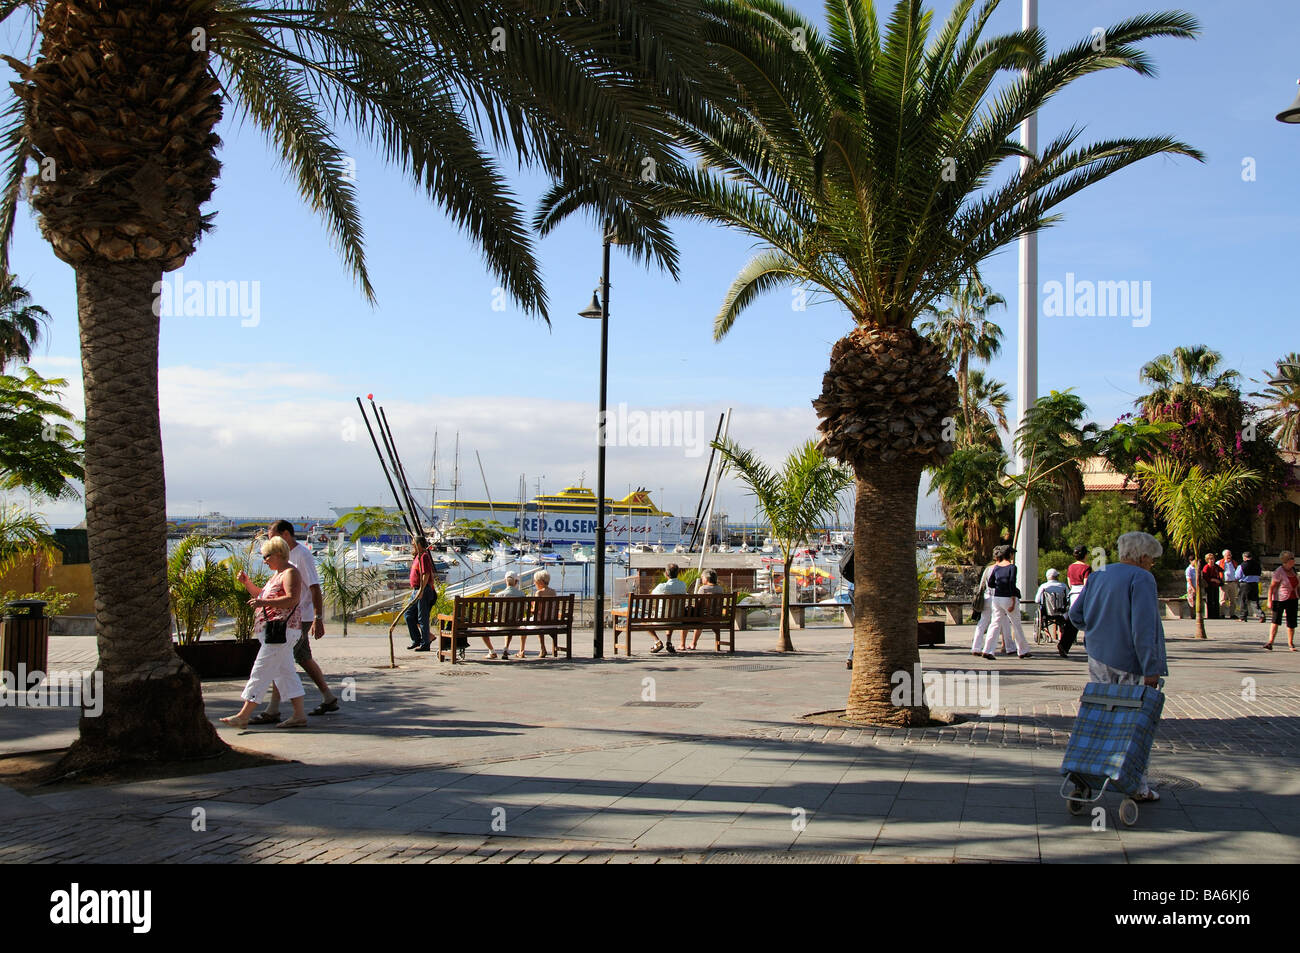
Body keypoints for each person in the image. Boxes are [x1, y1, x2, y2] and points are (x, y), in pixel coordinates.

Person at [1067, 531, 1167, 804]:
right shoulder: (1142, 579)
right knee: (1132, 725)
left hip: (1098, 657)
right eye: (1152, 559)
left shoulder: (1098, 574)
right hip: (1130, 661)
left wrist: (1098, 630)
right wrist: (1151, 668)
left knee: (1099, 718)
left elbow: (1075, 615)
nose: (1152, 564)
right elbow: (1144, 629)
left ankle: (1087, 776)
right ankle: (1136, 785)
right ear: (1143, 557)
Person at [250, 520, 339, 723]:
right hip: (292, 616)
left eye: (273, 537)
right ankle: (328, 696)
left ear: (286, 535)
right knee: (298, 657)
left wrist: (318, 617)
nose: (270, 541)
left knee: (282, 658)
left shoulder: (302, 555)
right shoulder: (284, 558)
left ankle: (274, 709)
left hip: (300, 616)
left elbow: (315, 587)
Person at [220, 536, 308, 729]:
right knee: (285, 673)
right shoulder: (278, 574)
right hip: (275, 631)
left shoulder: (290, 572)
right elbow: (261, 595)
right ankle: (299, 715)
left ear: (278, 554)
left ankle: (244, 714)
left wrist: (264, 603)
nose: (265, 560)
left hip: (281, 631)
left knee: (261, 669)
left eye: (266, 556)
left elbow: (292, 599)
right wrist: (247, 584)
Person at [980, 544, 1032, 659]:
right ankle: (1022, 650)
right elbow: (1012, 583)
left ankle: (988, 650)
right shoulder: (1012, 567)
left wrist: (999, 586)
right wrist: (1013, 600)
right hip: (1008, 597)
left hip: (997, 598)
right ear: (1009, 554)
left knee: (995, 623)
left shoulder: (997, 567)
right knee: (1016, 624)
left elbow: (991, 583)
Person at [407, 536, 438, 652]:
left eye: (414, 544)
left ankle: (425, 644)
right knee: (409, 615)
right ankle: (416, 639)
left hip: (423, 590)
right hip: (416, 590)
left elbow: (426, 575)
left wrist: (421, 590)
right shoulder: (417, 557)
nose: (412, 546)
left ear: (419, 544)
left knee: (422, 618)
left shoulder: (424, 556)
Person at [648, 562, 685, 654]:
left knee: (645, 620)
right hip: (677, 618)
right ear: (677, 573)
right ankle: (668, 642)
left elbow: (652, 595)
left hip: (661, 619)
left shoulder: (662, 586)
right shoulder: (683, 585)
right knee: (671, 614)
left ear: (666, 574)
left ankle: (657, 641)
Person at [684, 569, 725, 651]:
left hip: (703, 618)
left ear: (706, 578)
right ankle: (693, 643)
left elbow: (698, 604)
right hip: (716, 617)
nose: (701, 579)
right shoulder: (720, 589)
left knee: (688, 618)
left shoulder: (703, 589)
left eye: (702, 577)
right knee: (701, 618)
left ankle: (687, 644)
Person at [1264, 550, 1297, 651]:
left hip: (1293, 598)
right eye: (1292, 559)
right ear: (1287, 561)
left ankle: (1291, 643)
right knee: (1276, 620)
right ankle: (1270, 642)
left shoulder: (1293, 570)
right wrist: (1269, 600)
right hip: (1279, 599)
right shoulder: (1279, 571)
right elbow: (1272, 587)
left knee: (1291, 622)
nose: (1294, 561)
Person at [498, 572, 531, 659]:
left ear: (506, 581)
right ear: (516, 582)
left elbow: (496, 612)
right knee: (515, 625)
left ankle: (492, 651)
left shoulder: (499, 595)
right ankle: (519, 650)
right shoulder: (522, 595)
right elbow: (524, 609)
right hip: (517, 624)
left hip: (502, 624)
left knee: (484, 627)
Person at [969, 559, 997, 659]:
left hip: (986, 597)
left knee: (982, 622)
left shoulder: (988, 569)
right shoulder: (1000, 569)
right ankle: (989, 648)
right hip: (996, 598)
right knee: (997, 623)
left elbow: (982, 585)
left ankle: (976, 647)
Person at [1035, 568, 1071, 643]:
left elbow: (1037, 600)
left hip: (1047, 612)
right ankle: (1062, 636)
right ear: (1057, 576)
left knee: (1041, 612)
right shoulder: (1063, 586)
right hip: (1061, 612)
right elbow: (1068, 598)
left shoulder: (1043, 586)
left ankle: (1048, 635)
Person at [533, 569, 559, 658]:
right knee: (540, 620)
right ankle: (554, 649)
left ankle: (542, 648)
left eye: (535, 581)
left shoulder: (539, 593)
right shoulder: (553, 592)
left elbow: (536, 610)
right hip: (552, 621)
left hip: (542, 622)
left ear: (540, 582)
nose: (534, 583)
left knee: (537, 621)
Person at [1237, 550, 1265, 623]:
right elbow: (1259, 574)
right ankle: (1261, 615)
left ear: (1245, 557)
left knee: (1243, 600)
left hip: (1245, 584)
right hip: (1254, 584)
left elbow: (1237, 575)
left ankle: (1243, 617)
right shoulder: (1257, 565)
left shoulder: (1242, 565)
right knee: (1255, 600)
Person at [1218, 549, 1239, 620]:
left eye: (1230, 554)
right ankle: (1222, 614)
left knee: (1233, 600)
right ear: (1224, 556)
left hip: (1233, 583)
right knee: (1222, 600)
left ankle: (1232, 614)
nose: (1229, 556)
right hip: (1224, 583)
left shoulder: (1234, 563)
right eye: (1227, 555)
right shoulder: (1219, 562)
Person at [1200, 553, 1222, 620]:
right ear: (1207, 560)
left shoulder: (1215, 566)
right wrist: (1213, 580)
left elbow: (1221, 570)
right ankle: (1210, 615)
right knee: (1210, 600)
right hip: (1209, 586)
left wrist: (1219, 580)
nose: (1212, 560)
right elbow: (1205, 577)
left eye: (1212, 559)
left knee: (1216, 600)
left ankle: (1216, 614)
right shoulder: (1206, 567)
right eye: (1210, 559)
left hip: (1216, 585)